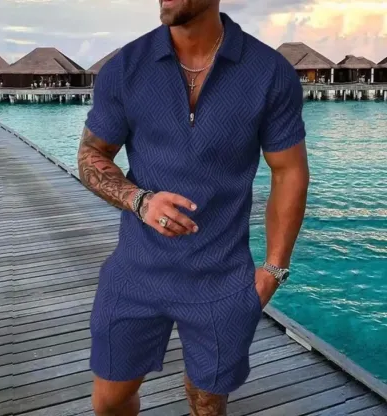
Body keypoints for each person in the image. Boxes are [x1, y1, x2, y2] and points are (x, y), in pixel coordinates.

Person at [78, 1, 309, 415]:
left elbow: (288, 171)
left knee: (207, 403)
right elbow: (91, 154)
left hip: (221, 278)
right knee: (109, 402)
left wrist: (274, 269)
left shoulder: (269, 72)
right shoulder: (125, 68)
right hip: (135, 271)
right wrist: (139, 200)